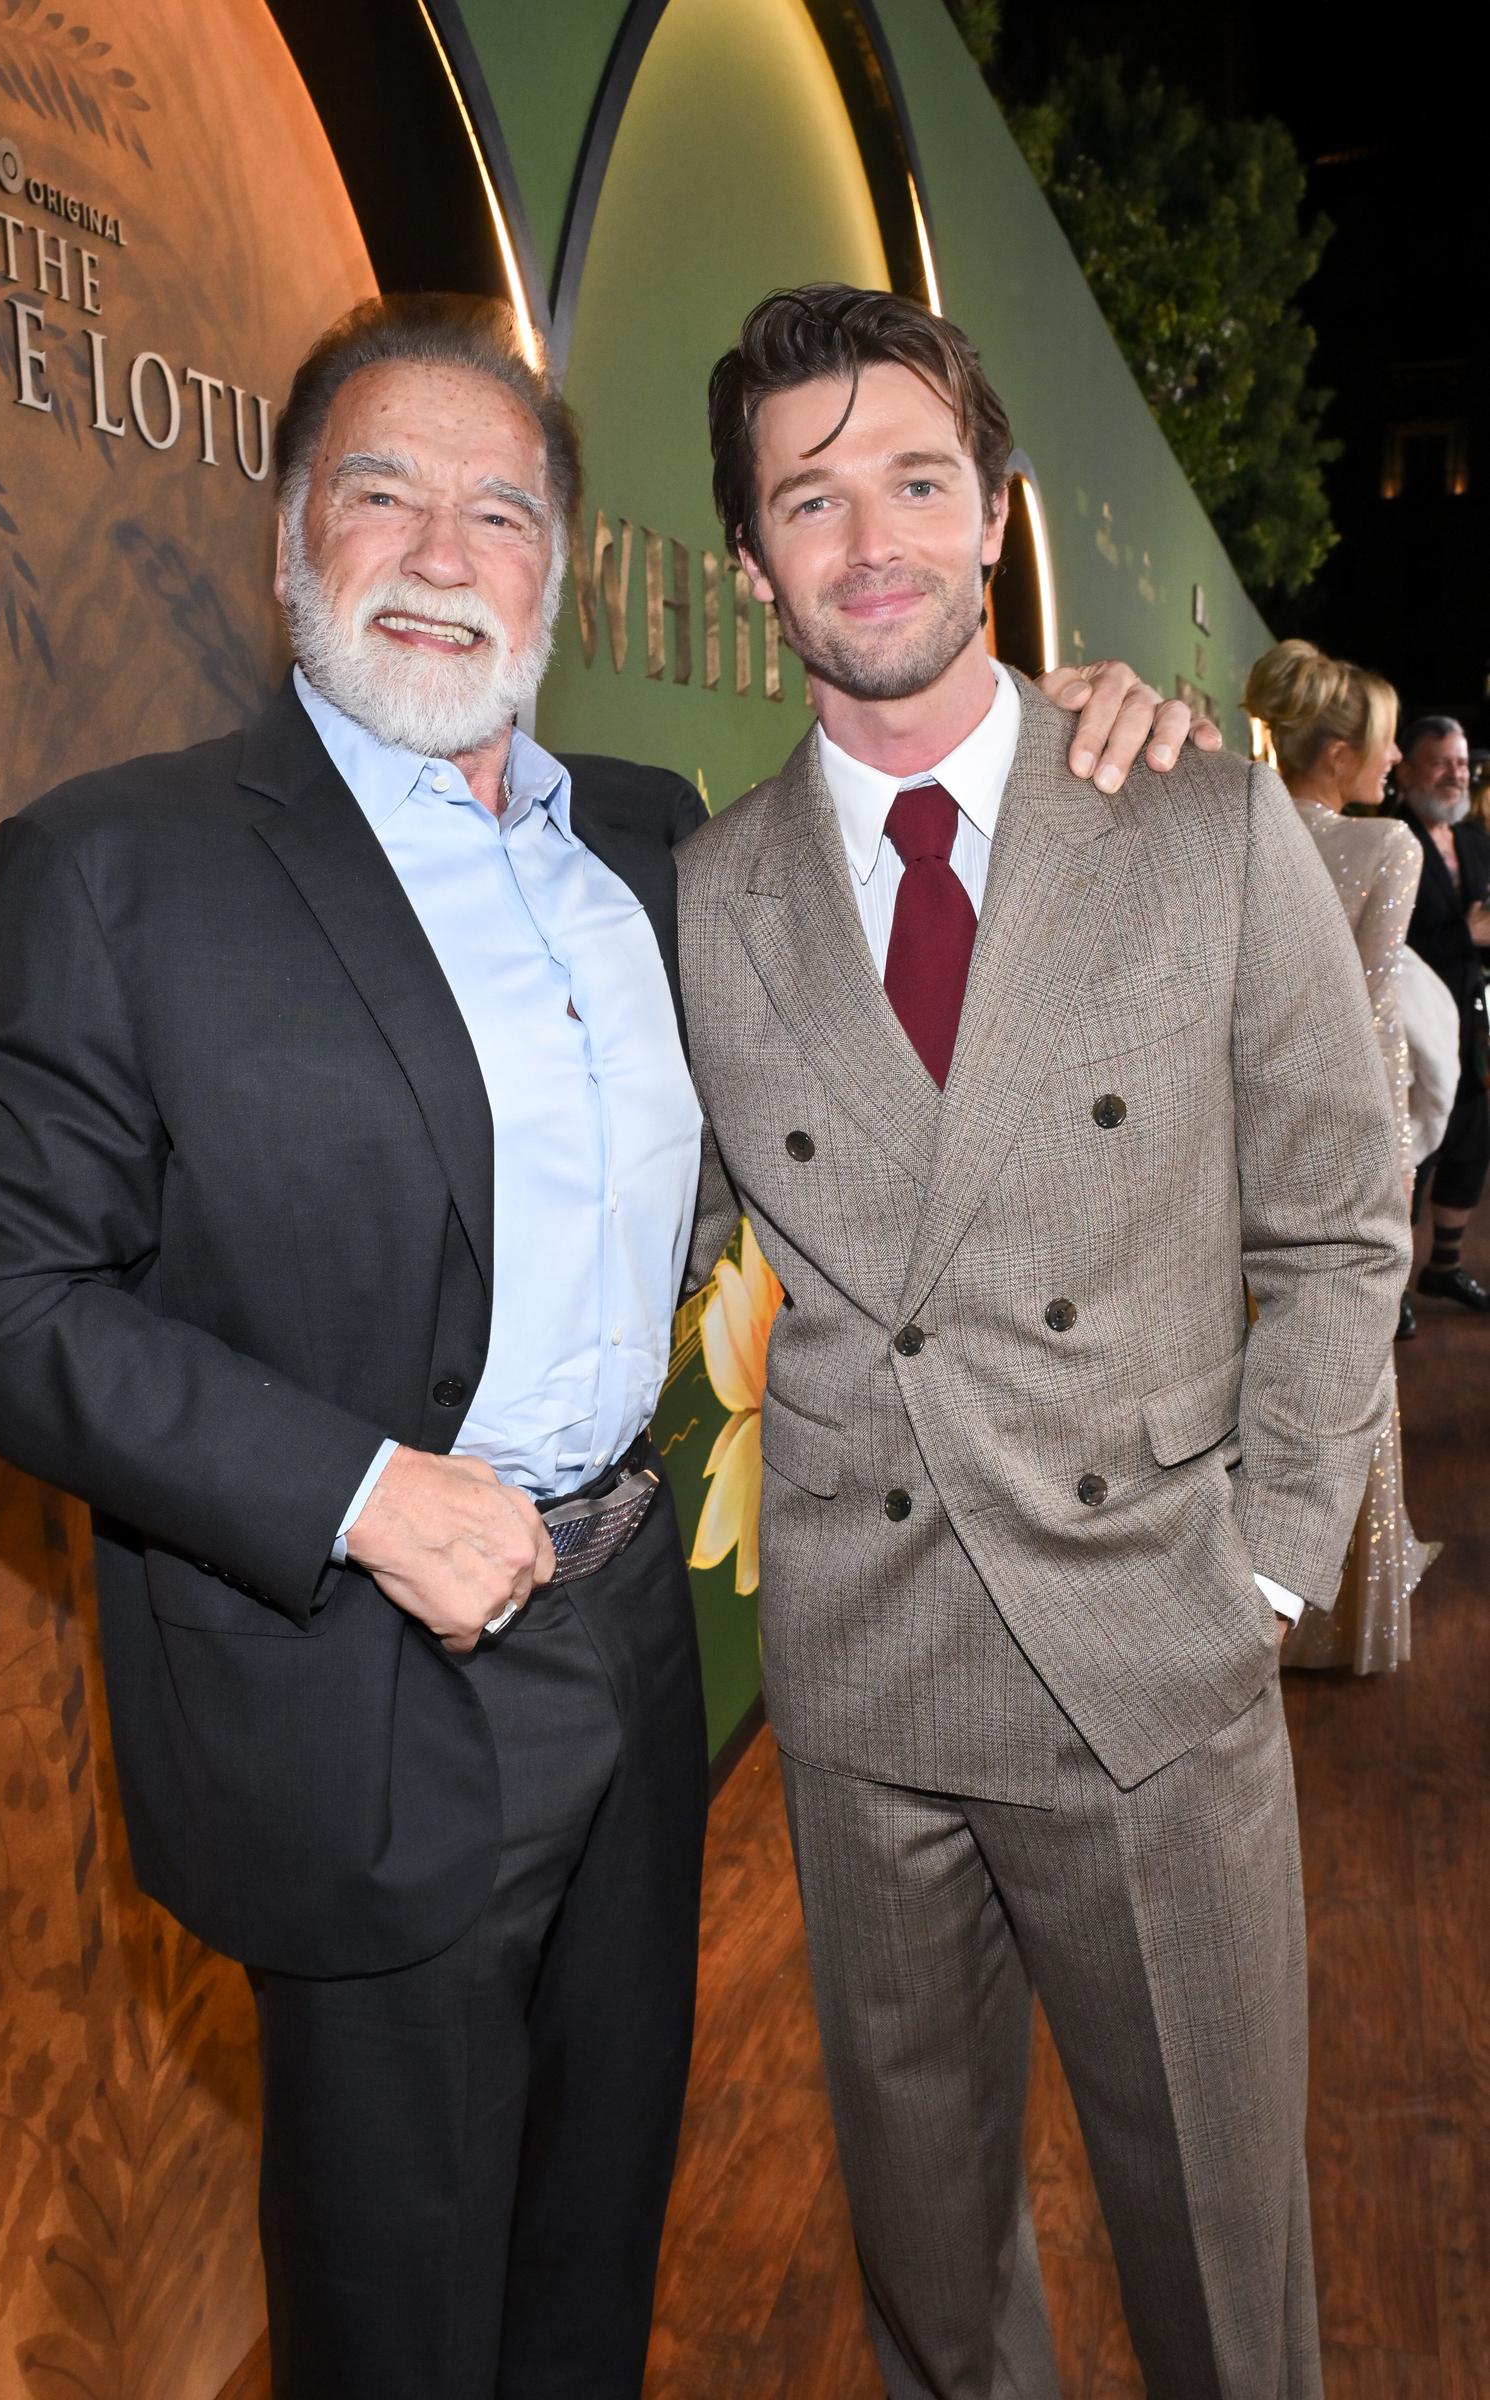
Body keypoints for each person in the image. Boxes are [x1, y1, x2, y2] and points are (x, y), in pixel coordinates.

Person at [0, 290, 1200, 2400]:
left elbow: (917, 885)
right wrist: (363, 1497)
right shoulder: (114, 873)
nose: (438, 550)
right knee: (399, 2321)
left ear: (561, 575)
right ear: (292, 541)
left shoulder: (655, 835)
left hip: (628, 1657)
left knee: (594, 2256)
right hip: (363, 1684)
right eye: (382, 494)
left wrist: (1093, 735)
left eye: (498, 511)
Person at [678, 285, 1409, 2399]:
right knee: (930, 2283)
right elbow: (699, 1238)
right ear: (751, 563)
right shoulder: (708, 894)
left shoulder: (1189, 808)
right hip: (866, 1676)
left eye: (917, 479)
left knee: (1224, 2278)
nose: (872, 537)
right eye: (811, 501)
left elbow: (1342, 1208)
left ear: (992, 511)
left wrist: (1269, 1557)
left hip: (1148, 1660)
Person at [1242, 639, 1436, 1671]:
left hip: (1233, 1127)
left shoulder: (1235, 823)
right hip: (1340, 1127)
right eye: (1386, 737)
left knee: (1248, 1344)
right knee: (1342, 1347)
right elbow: (1374, 1011)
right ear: (1338, 752)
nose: (1397, 755)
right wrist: (1391, 1152)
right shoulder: (1387, 849)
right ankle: (1336, 1594)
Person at [1392, 713, 1490, 1309]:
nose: (1456, 774)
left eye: (1462, 764)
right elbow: (1380, 944)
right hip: (1411, 1020)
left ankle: (1444, 1267)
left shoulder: (1477, 840)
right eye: (1441, 762)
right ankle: (1394, 1289)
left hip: (1473, 1016)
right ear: (1405, 768)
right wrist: (1467, 931)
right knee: (1412, 1152)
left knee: (1471, 1139)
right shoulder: (1387, 834)